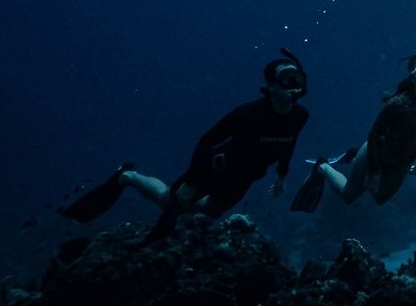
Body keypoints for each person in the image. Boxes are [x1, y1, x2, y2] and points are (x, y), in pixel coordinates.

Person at [60, 49, 310, 242]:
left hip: (245, 177)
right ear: (270, 86)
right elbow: (206, 140)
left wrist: (281, 174)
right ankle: (127, 176)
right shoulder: (248, 113)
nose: (292, 86)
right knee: (167, 201)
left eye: (296, 79)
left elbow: (289, 142)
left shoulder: (300, 115)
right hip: (215, 168)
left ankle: (175, 216)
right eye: (285, 80)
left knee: (208, 213)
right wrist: (191, 180)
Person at [292, 46, 416, 208]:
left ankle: (353, 158)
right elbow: (374, 135)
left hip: (403, 160)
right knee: (349, 195)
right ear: (412, 76)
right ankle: (323, 167)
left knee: (380, 199)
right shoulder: (397, 104)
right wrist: (373, 172)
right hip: (376, 153)